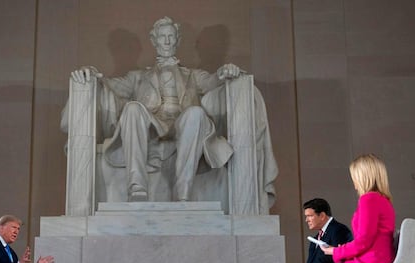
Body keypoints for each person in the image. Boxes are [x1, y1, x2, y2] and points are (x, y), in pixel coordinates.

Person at [68, 16, 276, 203]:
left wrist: (226, 71)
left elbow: (214, 81)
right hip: (150, 128)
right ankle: (137, 187)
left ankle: (183, 191)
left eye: (171, 37)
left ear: (177, 41)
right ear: (154, 41)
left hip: (183, 127)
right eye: (162, 37)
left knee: (196, 113)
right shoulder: (138, 77)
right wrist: (92, 73)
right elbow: (109, 84)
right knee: (132, 108)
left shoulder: (193, 75)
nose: (167, 41)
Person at [321, 154, 396, 263]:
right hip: (380, 260)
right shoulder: (383, 200)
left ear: (363, 178)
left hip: (372, 262)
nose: (355, 185)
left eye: (355, 178)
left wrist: (336, 251)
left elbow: (364, 241)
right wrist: (342, 250)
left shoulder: (369, 199)